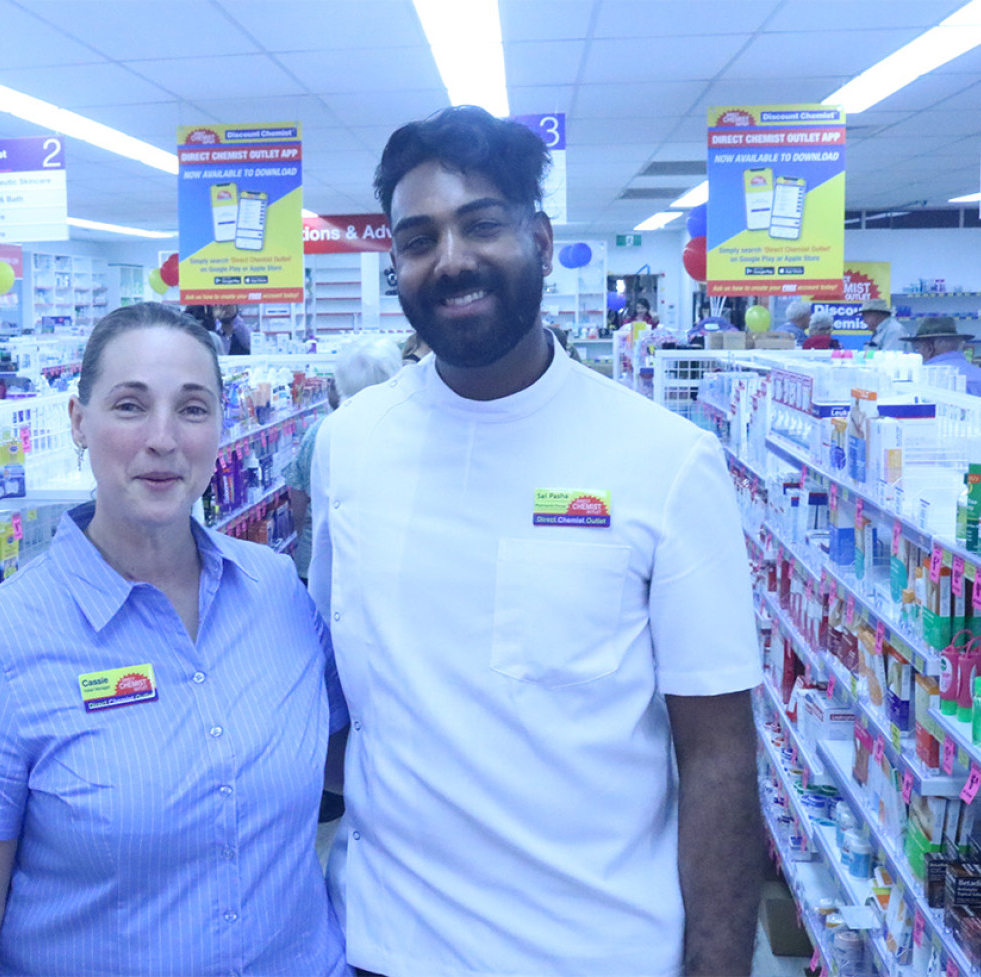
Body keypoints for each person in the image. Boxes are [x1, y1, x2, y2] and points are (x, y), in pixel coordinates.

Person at [309, 105, 762, 977]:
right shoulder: (349, 444)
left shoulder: (665, 460)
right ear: (395, 263)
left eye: (481, 225)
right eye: (418, 238)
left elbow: (717, 757)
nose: (452, 259)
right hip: (381, 946)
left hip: (597, 953)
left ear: (543, 240)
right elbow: (333, 684)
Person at [0, 302, 349, 977]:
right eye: (130, 405)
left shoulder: (277, 594)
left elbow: (352, 759)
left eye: (193, 408)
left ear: (220, 426)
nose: (163, 438)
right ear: (78, 422)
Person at [286, 337, 402, 584]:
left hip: (320, 562)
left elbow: (298, 493)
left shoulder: (322, 431)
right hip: (380, 568)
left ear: (339, 382)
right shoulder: (403, 432)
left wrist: (303, 532)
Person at [901, 316, 981, 395]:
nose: (919, 352)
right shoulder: (978, 373)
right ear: (959, 344)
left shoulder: (922, 377)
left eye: (918, 347)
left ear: (929, 347)